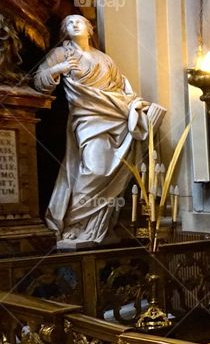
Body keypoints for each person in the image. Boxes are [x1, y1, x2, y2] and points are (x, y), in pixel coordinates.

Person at [33, 14, 164, 246]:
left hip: (115, 117)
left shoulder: (104, 59)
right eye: (69, 22)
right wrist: (60, 68)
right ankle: (74, 221)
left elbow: (118, 89)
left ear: (90, 30)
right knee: (93, 168)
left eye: (79, 21)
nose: (74, 24)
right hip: (87, 118)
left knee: (112, 168)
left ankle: (96, 226)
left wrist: (134, 104)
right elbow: (39, 80)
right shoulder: (62, 54)